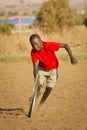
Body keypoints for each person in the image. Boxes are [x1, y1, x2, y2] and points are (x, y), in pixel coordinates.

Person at [29, 34, 78, 107]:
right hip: (42, 69)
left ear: (41, 41)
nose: (35, 47)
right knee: (39, 84)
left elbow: (65, 45)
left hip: (53, 69)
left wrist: (72, 57)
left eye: (36, 44)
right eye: (33, 45)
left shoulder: (48, 45)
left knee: (49, 88)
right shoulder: (33, 52)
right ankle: (36, 94)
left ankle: (41, 104)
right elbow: (35, 67)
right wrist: (36, 78)